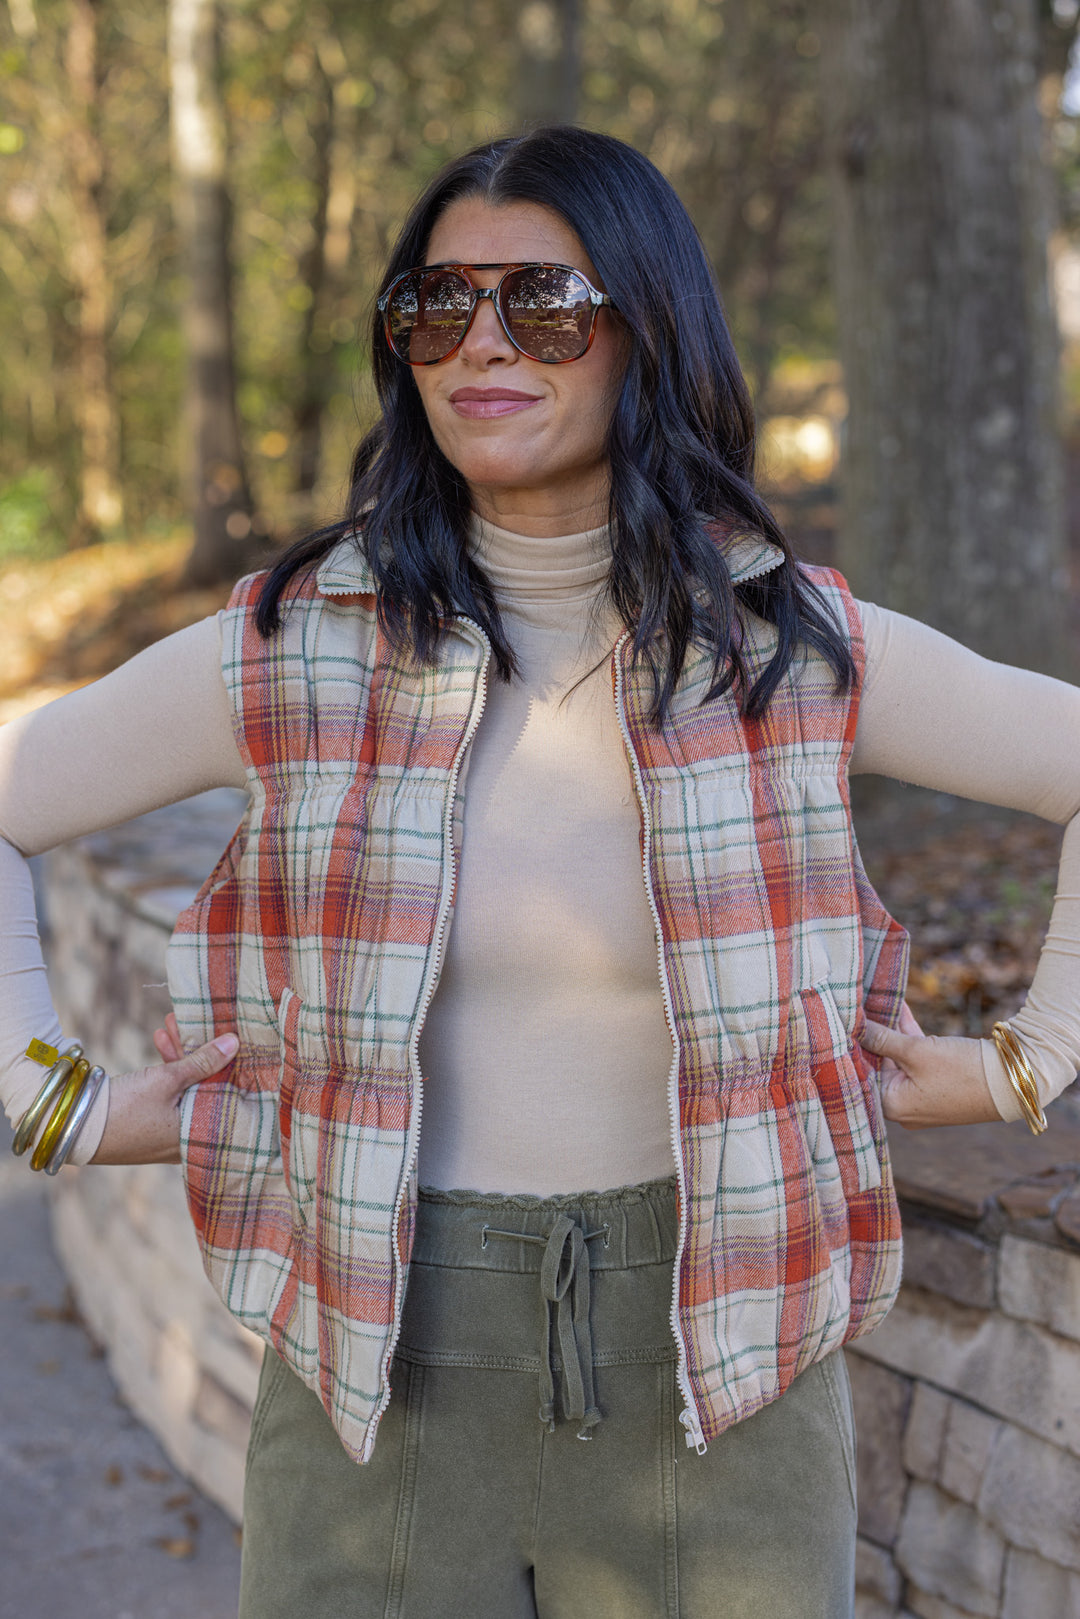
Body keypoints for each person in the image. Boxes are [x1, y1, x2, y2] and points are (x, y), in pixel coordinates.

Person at [1, 125, 1078, 1619]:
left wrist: (1031, 1063)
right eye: (436, 307)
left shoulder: (802, 653)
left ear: (650, 326)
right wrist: (54, 1099)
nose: (481, 345)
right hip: (373, 1374)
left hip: (729, 1377)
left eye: (545, 305)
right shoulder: (290, 645)